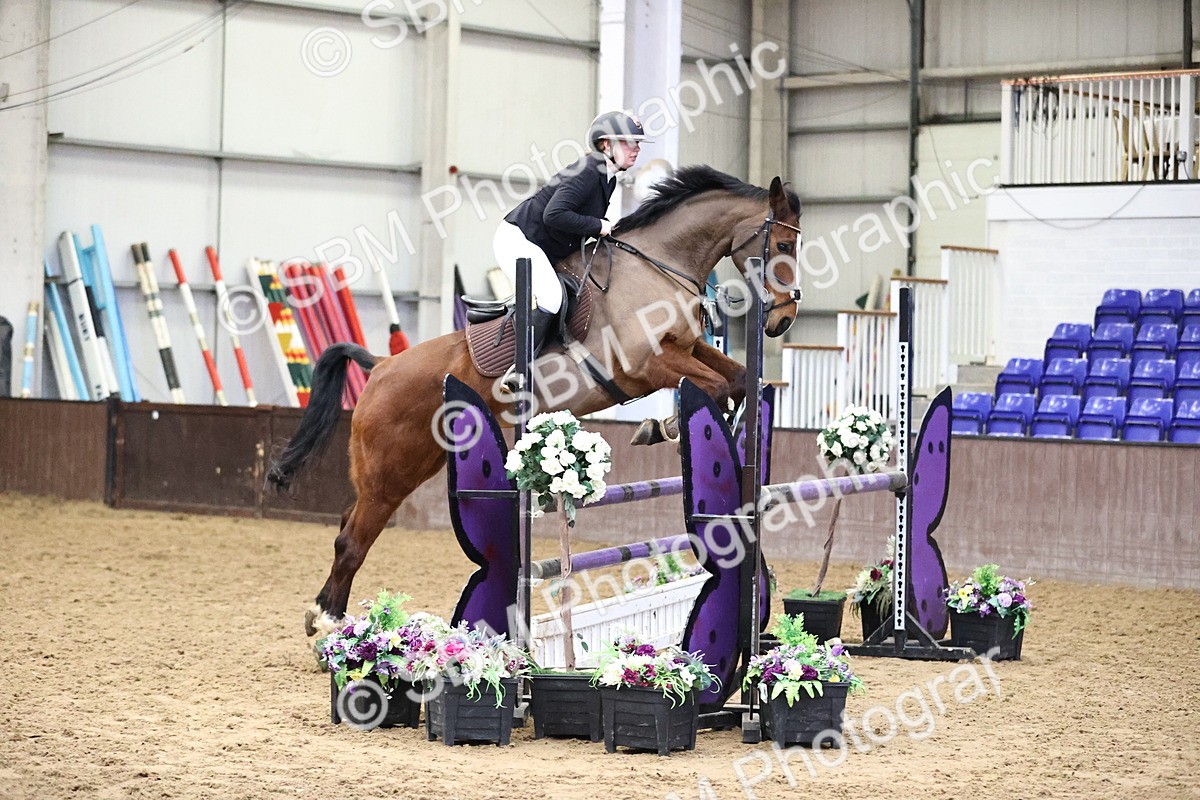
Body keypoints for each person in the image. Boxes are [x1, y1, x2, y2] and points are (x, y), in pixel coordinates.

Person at [492, 110, 650, 388]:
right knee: (552, 297)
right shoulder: (590, 170)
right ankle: (517, 371)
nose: (636, 149)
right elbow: (553, 214)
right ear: (606, 145)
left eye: (637, 143)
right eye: (628, 142)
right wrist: (598, 225)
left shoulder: (607, 176)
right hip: (518, 239)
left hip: (544, 245)